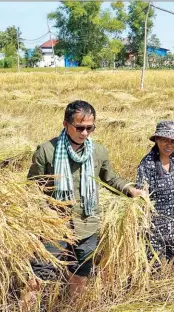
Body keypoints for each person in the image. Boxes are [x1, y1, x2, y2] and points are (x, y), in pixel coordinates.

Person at [26, 100, 145, 302]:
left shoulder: (98, 152)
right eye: (79, 127)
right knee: (40, 274)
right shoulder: (47, 151)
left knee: (80, 273)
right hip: (54, 226)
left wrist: (130, 189)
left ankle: (72, 306)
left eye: (90, 128)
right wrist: (44, 213)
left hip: (87, 223)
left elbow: (110, 178)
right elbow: (32, 187)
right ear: (65, 124)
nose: (84, 133)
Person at [136, 120, 174, 274]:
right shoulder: (147, 164)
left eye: (173, 141)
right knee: (154, 266)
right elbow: (142, 196)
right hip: (154, 223)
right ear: (157, 140)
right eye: (165, 140)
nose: (169, 144)